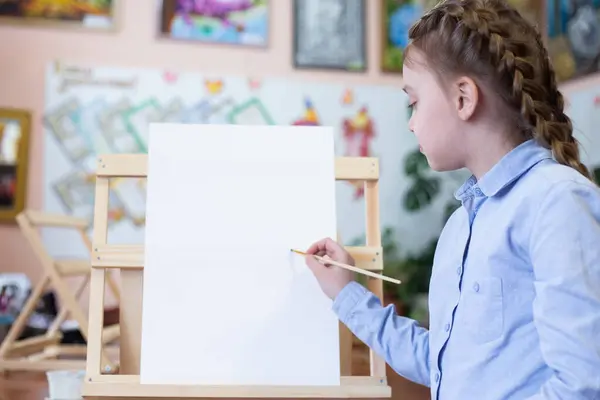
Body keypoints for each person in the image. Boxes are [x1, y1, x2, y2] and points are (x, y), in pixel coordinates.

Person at [303, 1, 600, 399]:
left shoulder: (557, 201)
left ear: (463, 98)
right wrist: (346, 293)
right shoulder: (460, 227)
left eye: (414, 101)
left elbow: (582, 384)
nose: (411, 121)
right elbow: (440, 365)